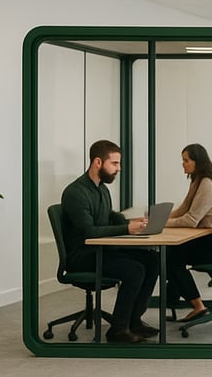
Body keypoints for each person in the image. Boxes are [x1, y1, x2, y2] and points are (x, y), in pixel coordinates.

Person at [60, 139, 160, 344]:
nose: (119, 168)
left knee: (153, 260)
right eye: (114, 163)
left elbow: (107, 217)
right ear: (98, 162)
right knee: (134, 270)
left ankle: (134, 320)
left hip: (102, 250)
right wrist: (126, 229)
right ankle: (118, 330)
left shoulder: (102, 189)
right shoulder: (76, 192)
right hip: (83, 255)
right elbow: (89, 232)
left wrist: (132, 222)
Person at [164, 144, 212, 323]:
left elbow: (191, 220)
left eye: (186, 160)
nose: (183, 164)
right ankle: (174, 300)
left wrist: (164, 224)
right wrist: (158, 220)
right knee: (170, 255)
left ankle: (197, 305)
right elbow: (183, 210)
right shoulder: (197, 181)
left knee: (170, 257)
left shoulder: (207, 184)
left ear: (197, 161)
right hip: (204, 240)